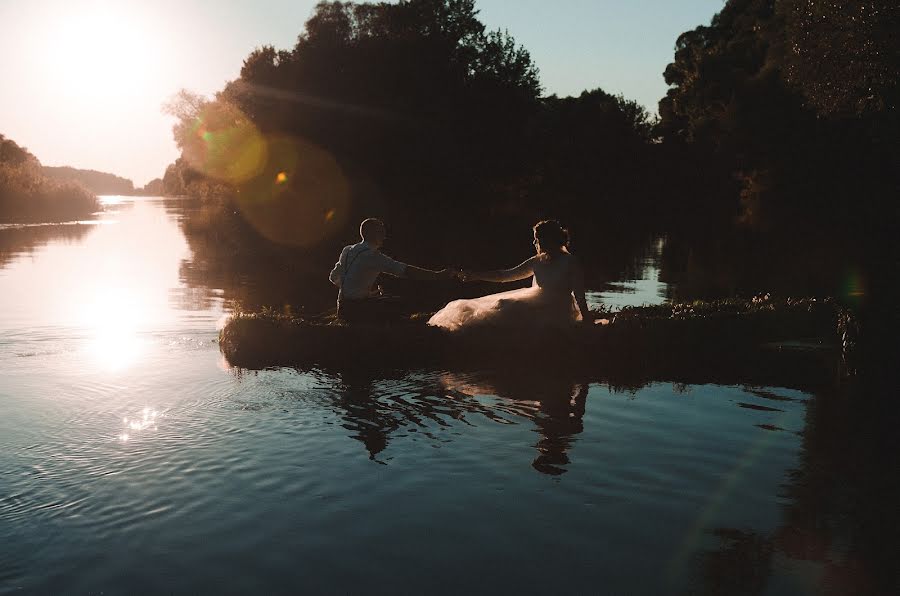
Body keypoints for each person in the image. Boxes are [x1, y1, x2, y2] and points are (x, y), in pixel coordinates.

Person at [427, 220, 592, 331]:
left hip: (558, 309)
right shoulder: (537, 261)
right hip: (538, 303)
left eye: (537, 239)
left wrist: (586, 318)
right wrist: (476, 276)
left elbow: (579, 293)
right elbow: (505, 276)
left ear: (548, 239)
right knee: (502, 302)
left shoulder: (570, 262)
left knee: (513, 307)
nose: (534, 243)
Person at [329, 218, 456, 323]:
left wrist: (358, 291)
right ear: (373, 234)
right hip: (356, 310)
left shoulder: (347, 250)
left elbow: (333, 277)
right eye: (381, 232)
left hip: (343, 308)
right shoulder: (372, 255)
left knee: (389, 300)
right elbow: (405, 271)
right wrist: (437, 275)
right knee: (402, 305)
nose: (384, 236)